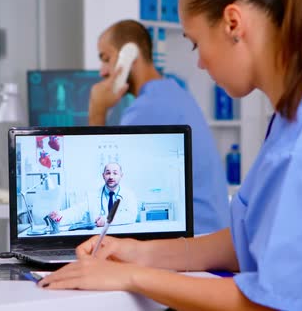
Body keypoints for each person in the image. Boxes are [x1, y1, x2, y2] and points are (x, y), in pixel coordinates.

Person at [37, 0, 302, 309]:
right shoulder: (301, 111)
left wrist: (130, 275)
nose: (199, 62)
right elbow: (252, 240)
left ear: (233, 23)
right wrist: (142, 253)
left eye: (196, 43)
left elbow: (271, 305)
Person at [89, 19, 230, 235]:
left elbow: (104, 172)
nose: (102, 71)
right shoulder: (173, 92)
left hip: (196, 242)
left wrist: (97, 110)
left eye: (106, 59)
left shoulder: (148, 108)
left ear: (129, 56)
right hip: (211, 233)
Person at [49, 162, 138, 227]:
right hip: (99, 239)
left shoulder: (128, 195)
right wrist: (59, 215)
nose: (111, 177)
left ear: (121, 175)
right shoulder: (93, 196)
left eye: (115, 173)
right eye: (108, 173)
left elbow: (131, 216)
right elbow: (77, 212)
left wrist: (107, 220)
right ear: (103, 176)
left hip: (121, 238)